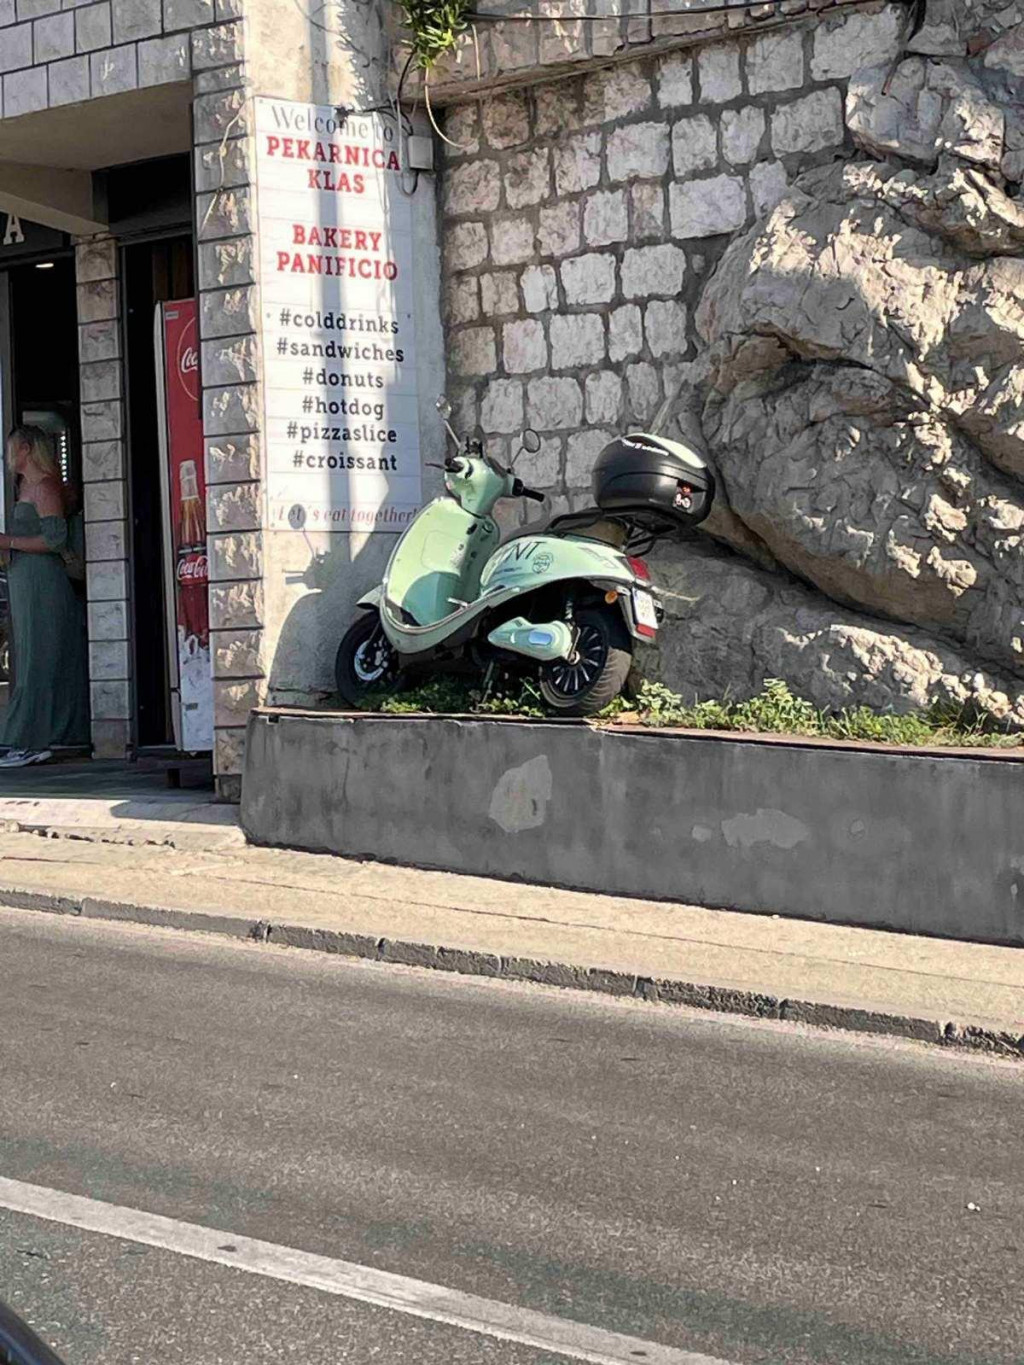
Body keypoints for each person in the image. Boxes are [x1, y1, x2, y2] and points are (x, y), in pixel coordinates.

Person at [0, 425, 89, 768]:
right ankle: (31, 737)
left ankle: (34, 740)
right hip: (23, 579)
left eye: (12, 448)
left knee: (40, 657)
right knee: (28, 657)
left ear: (25, 449)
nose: (9, 456)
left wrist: (8, 542)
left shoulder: (46, 487)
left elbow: (55, 540)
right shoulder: (24, 487)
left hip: (43, 582)